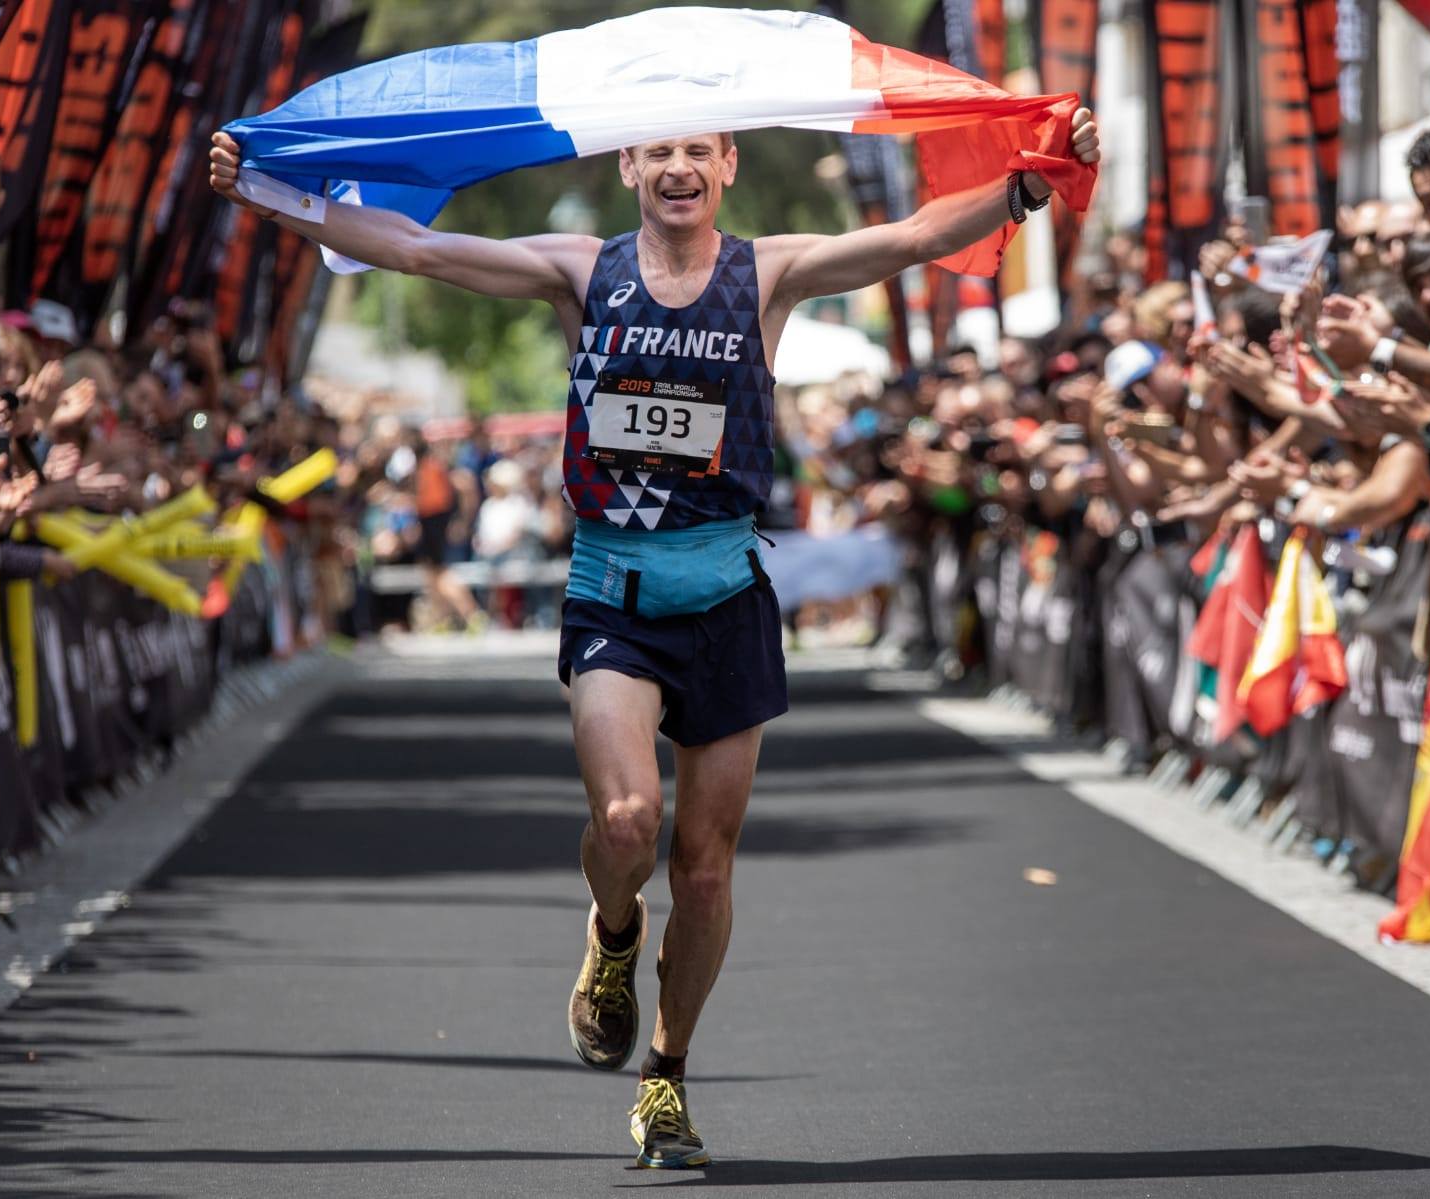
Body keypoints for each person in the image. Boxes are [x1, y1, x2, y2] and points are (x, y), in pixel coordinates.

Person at [210, 105, 1099, 1169]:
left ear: (725, 165)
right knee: (628, 822)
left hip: (724, 595)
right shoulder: (582, 270)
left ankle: (666, 1077)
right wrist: (266, 190)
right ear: (628, 161)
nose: (677, 167)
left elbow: (909, 238)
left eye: (698, 150)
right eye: (658, 149)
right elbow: (414, 246)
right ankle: (613, 930)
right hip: (613, 596)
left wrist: (1029, 185)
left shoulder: (769, 273)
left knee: (708, 870)